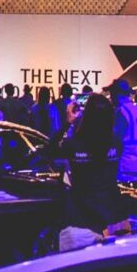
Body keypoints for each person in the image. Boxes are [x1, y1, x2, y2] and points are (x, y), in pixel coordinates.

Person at [58, 91, 121, 250]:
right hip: (109, 224)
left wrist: (68, 122)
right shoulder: (116, 144)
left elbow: (49, 151)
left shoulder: (74, 145)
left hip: (78, 223)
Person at [110, 80, 137, 183]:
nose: (110, 97)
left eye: (112, 94)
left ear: (117, 94)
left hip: (124, 163)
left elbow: (116, 139)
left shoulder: (121, 112)